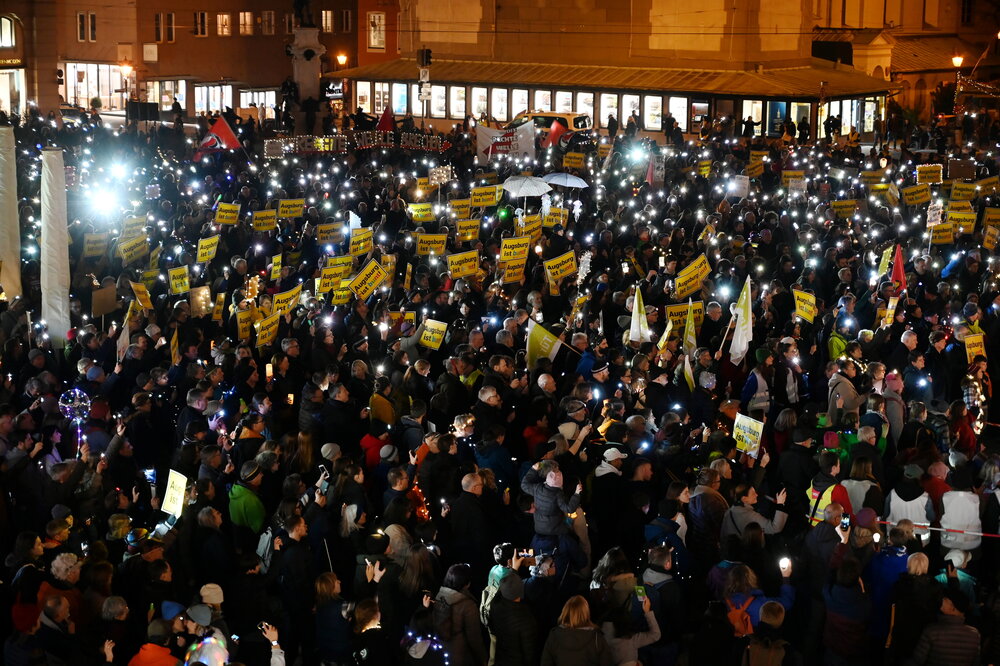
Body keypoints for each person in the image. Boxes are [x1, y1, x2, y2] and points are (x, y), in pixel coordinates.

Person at [541, 596, 615, 666]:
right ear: (586, 613)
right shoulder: (596, 638)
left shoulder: (554, 636)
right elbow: (607, 663)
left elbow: (546, 663)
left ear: (566, 612)